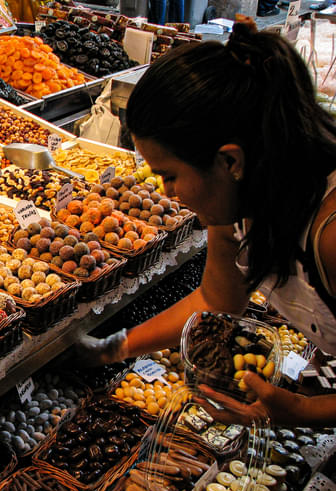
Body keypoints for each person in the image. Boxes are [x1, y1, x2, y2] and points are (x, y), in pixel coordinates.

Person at [79, 16, 336, 427]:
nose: (165, 192)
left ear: (229, 160)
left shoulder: (329, 234)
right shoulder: (240, 199)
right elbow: (217, 300)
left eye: (170, 175)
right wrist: (113, 348)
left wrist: (302, 411)